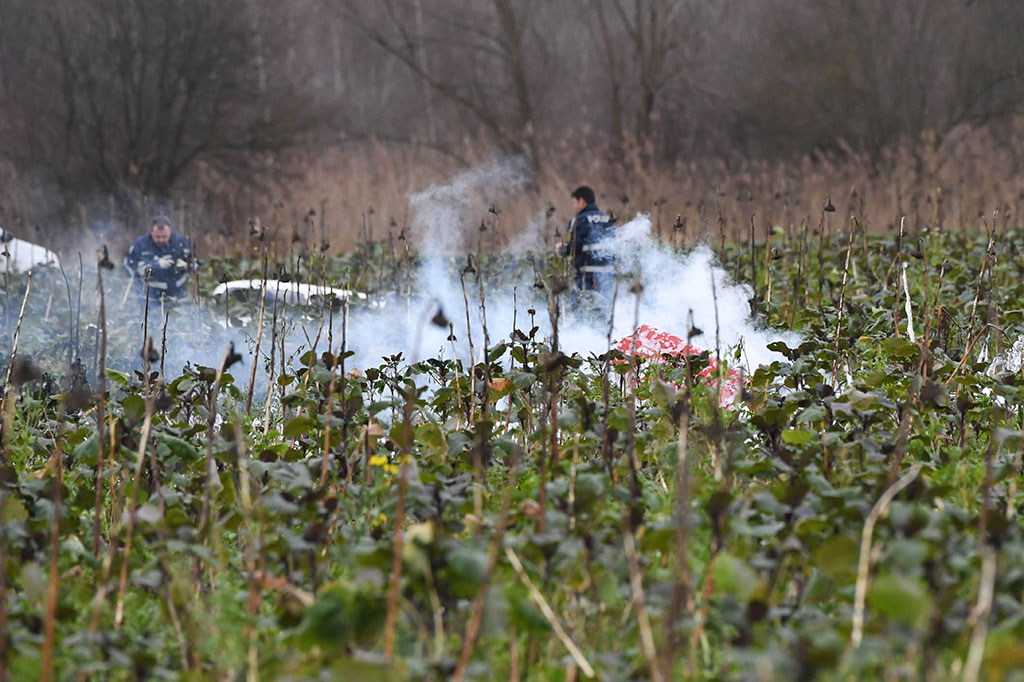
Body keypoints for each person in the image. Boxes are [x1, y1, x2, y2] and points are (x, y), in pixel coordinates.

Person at [124, 214, 192, 304]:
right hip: (150, 299)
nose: (161, 240)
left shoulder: (181, 243)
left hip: (178, 298)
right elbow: (129, 267)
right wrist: (155, 265)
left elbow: (196, 264)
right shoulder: (140, 245)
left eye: (164, 237)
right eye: (157, 237)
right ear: (151, 232)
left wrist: (187, 266)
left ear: (170, 232)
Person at [559, 186, 614, 295]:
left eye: (574, 203)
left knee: (586, 308)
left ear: (582, 201)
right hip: (606, 276)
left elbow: (574, 248)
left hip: (586, 276)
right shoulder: (607, 219)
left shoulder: (579, 220)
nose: (574, 207)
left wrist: (562, 248)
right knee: (604, 306)